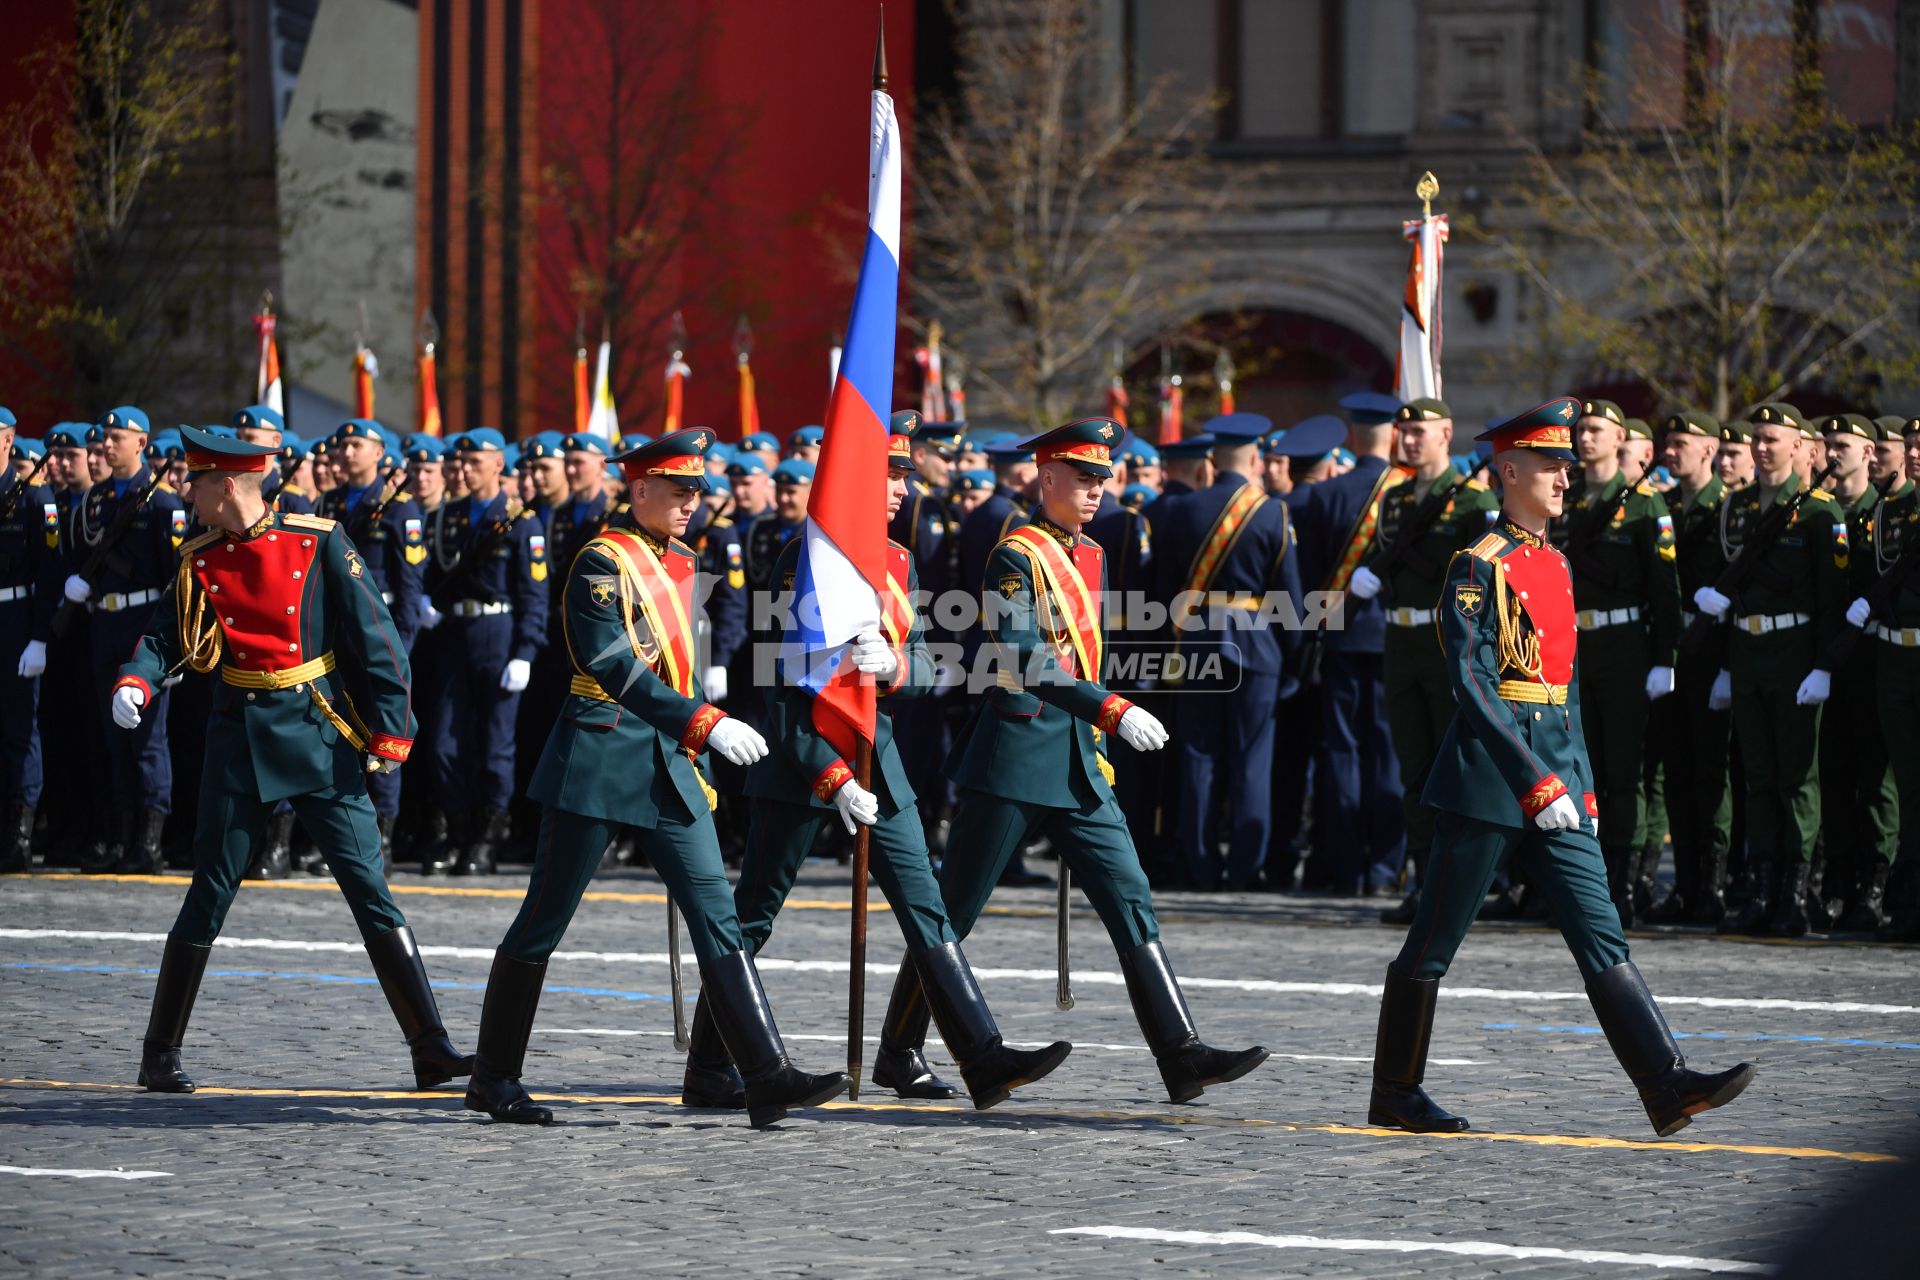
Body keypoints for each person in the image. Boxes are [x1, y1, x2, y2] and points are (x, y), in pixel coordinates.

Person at [1366, 396, 1755, 1139]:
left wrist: (1576, 780)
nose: (1564, 479)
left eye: (1568, 467)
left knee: (1600, 930)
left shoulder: (1556, 561)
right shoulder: (1477, 566)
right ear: (1508, 471)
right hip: (1490, 781)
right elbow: (1474, 687)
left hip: (1556, 781)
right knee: (1433, 941)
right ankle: (1395, 1090)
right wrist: (1534, 779)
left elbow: (1565, 682)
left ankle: (1665, 1083)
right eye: (1550, 467)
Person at [463, 428, 849, 1129]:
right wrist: (706, 723)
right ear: (639, 489)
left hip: (671, 765)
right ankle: (492, 1076)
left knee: (719, 918)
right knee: (543, 923)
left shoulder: (684, 561)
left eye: (697, 493)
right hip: (601, 760)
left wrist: (702, 726)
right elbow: (612, 664)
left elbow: (683, 667)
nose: (690, 504)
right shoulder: (601, 561)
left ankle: (761, 1074)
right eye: (678, 492)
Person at [683, 422, 1072, 1111]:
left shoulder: (896, 560)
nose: (902, 490)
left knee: (926, 908)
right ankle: (711, 1066)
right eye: (888, 477)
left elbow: (924, 661)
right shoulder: (802, 561)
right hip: (807, 764)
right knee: (755, 917)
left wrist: (895, 668)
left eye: (904, 478)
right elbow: (785, 690)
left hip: (878, 759)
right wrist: (829, 778)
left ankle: (982, 1057)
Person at [881, 416, 1269, 1104]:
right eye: (1084, 479)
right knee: (954, 911)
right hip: (1017, 752)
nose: (1096, 491)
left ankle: (1182, 1054)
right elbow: (1023, 657)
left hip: (1080, 758)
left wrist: (1098, 718)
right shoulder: (1016, 556)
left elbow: (1090, 652)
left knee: (1130, 896)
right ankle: (900, 1050)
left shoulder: (1092, 554)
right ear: (1047, 478)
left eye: (1103, 480)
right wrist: (1111, 709)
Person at [111, 426, 471, 1094]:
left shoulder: (318, 540)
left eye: (195, 480)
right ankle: (158, 1051)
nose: (185, 491)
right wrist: (136, 678)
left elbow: (379, 642)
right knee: (210, 891)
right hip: (239, 741)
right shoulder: (200, 557)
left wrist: (393, 733)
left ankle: (430, 1045)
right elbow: (164, 637)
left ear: (225, 486)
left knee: (370, 889)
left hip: (318, 733)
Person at [1695, 404, 1845, 937]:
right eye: (1757, 438)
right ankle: (1763, 888)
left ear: (1798, 445)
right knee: (1757, 777)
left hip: (1795, 652)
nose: (1761, 447)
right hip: (1748, 653)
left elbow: (1832, 599)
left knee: (1796, 779)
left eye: (1771, 439)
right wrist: (1724, 665)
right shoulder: (1735, 507)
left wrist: (1825, 665)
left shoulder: (1820, 511)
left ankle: (1796, 894)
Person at [1348, 400, 1499, 923]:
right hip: (1399, 641)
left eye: (1421, 431)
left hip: (1444, 643)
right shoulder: (1394, 498)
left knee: (1453, 765)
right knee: (1412, 766)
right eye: (1404, 431)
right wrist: (1372, 575)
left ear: (1447, 433)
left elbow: (1481, 580)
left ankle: (1459, 882)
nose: (1410, 439)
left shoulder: (1474, 498)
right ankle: (1422, 880)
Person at [1150, 413, 1302, 890]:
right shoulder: (1274, 512)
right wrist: (1293, 658)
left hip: (1195, 640)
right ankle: (1243, 868)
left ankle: (1198, 864)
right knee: (1251, 760)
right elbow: (1291, 600)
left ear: (1212, 460)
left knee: (1198, 757)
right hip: (1256, 644)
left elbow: (1161, 592)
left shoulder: (1181, 510)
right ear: (1256, 458)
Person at [1550, 398, 1680, 928]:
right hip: (1577, 647)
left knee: (1624, 771)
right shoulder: (1570, 497)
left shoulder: (1647, 505)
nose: (1585, 439)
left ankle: (1625, 883)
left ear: (1621, 438)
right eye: (1581, 430)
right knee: (1584, 768)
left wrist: (1663, 658)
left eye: (1597, 430)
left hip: (1627, 644)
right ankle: (1589, 878)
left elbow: (1665, 591)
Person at [419, 429, 549, 875]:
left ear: (497, 465)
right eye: (462, 461)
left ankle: (488, 838)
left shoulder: (521, 520)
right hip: (455, 632)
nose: (465, 469)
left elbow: (534, 593)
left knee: (497, 745)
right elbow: (433, 573)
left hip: (499, 631)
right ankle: (458, 830)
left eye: (476, 461)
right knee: (445, 742)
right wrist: (425, 602)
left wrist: (525, 652)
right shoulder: (447, 516)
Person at [1294, 391, 1408, 893]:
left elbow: (1310, 578)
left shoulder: (1324, 495)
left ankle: (1343, 865)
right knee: (1387, 750)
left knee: (1341, 750)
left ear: (1354, 436)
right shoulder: (1411, 492)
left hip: (1338, 635)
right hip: (1396, 636)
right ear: (1394, 435)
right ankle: (1385, 868)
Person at [66, 406, 187, 874]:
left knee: (148, 742)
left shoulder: (161, 503)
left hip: (144, 627)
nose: (108, 445)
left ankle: (149, 842)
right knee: (112, 737)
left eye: (118, 437)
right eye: (106, 437)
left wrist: (171, 653)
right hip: (105, 624)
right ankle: (120, 836)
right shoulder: (97, 500)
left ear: (141, 443)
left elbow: (177, 581)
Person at [1646, 409, 1736, 923]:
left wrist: (1726, 666)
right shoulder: (1662, 506)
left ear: (1709, 450)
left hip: (1711, 653)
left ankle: (1715, 884)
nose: (1670, 450)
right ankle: (1684, 883)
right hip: (1673, 649)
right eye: (1668, 442)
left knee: (1710, 773)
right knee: (1676, 771)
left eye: (1681, 443)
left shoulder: (1725, 508)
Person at [1816, 413, 1899, 930]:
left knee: (1876, 778)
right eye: (1828, 444)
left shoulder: (1883, 512)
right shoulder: (1819, 511)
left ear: (1869, 453)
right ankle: (1838, 883)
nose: (1833, 452)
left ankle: (1877, 885)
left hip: (1872, 660)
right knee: (1834, 774)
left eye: (1843, 444)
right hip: (1828, 663)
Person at [0, 408, 59, 872]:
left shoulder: (35, 498)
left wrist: (40, 637)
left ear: (9, 440)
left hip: (16, 618)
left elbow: (49, 572)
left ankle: (19, 833)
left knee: (20, 727)